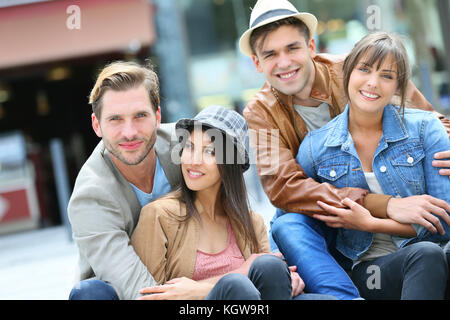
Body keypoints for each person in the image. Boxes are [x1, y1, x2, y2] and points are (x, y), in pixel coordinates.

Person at [239, 0, 450, 299]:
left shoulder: (356, 70)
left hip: (391, 204)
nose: (284, 62)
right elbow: (285, 187)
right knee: (288, 224)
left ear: (311, 45)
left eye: (292, 48)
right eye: (271, 54)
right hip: (324, 214)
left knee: (429, 249)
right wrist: (380, 203)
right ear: (257, 64)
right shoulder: (260, 112)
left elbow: (429, 120)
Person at [297, 32, 450, 299]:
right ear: (348, 73)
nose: (373, 83)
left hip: (436, 254)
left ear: (398, 86)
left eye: (387, 76)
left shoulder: (426, 129)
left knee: (429, 253)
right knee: (425, 255)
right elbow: (292, 209)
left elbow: (443, 222)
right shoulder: (316, 148)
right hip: (370, 273)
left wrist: (370, 223)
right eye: (364, 69)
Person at [131, 105, 335, 300]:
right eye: (190, 147)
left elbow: (269, 281)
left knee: (272, 268)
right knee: (237, 285)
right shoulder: (159, 215)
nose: (193, 160)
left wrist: (285, 280)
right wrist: (229, 279)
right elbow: (147, 294)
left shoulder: (251, 223)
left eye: (210, 152)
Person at [68, 61, 181, 300]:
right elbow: (133, 286)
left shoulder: (188, 143)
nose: (129, 132)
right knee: (89, 294)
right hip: (129, 292)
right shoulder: (89, 197)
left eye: (140, 115)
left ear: (157, 116)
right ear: (96, 125)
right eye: (115, 119)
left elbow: (236, 152)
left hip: (193, 274)